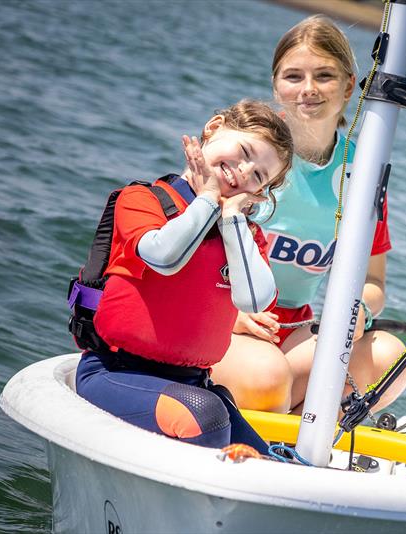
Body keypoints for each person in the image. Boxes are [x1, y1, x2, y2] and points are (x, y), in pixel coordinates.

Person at [212, 16, 406, 415]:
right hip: (222, 322)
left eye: (324, 76)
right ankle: (266, 403)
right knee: (267, 380)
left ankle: (294, 450)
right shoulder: (246, 153)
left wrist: (360, 312)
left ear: (350, 85)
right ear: (275, 85)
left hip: (295, 334)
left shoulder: (363, 169)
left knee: (390, 359)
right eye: (293, 76)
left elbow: (373, 281)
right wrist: (230, 316)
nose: (308, 90)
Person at [74, 100, 293, 451]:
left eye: (257, 176)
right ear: (214, 127)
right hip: (115, 372)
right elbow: (164, 257)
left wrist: (234, 220)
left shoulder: (245, 236)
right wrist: (207, 198)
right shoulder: (142, 200)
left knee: (269, 461)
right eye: (245, 151)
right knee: (205, 417)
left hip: (194, 385)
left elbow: (254, 299)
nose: (243, 171)